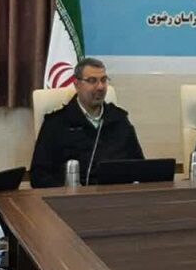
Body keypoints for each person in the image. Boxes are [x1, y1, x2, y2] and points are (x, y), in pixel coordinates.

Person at [29, 57, 144, 188]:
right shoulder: (56, 124)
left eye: (103, 80)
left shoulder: (119, 120)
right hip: (73, 197)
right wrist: (66, 190)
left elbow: (140, 167)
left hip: (116, 195)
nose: (100, 87)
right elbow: (38, 175)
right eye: (92, 81)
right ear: (77, 84)